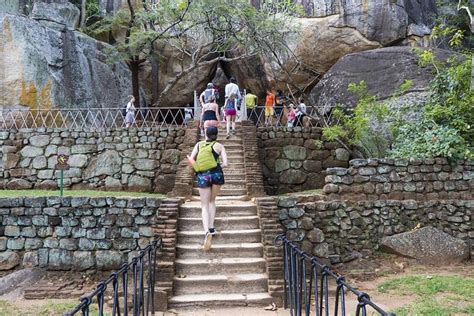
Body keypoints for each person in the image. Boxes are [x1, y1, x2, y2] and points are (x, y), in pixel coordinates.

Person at [187, 126, 228, 251]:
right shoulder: (220, 146)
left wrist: (199, 168)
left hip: (203, 175)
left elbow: (192, 160)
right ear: (216, 134)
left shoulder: (199, 145)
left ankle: (206, 232)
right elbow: (226, 163)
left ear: (206, 134)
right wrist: (216, 166)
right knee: (212, 201)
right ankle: (211, 227)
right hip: (217, 174)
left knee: (204, 205)